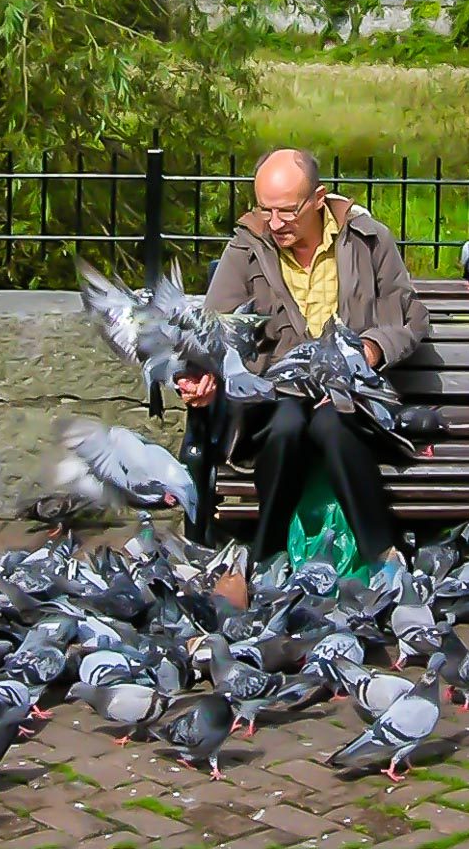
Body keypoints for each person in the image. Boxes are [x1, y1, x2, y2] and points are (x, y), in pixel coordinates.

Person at [175, 147, 429, 564]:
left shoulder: (368, 239)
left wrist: (370, 350)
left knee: (333, 423)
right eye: (265, 210)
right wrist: (201, 375)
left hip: (350, 395)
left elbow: (412, 318)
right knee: (288, 423)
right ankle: (268, 553)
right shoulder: (247, 247)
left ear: (318, 198)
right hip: (274, 397)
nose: (274, 224)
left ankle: (383, 554)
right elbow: (213, 328)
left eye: (287, 211)